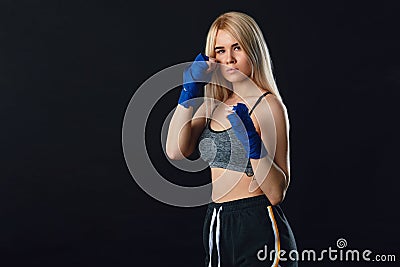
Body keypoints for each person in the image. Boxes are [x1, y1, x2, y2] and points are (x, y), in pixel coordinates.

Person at [166, 11, 297, 267]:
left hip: (257, 221)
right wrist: (187, 92)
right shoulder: (212, 105)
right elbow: (174, 151)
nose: (229, 59)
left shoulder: (268, 105)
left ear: (253, 50)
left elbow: (276, 192)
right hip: (217, 222)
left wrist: (253, 145)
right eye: (220, 50)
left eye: (237, 48)